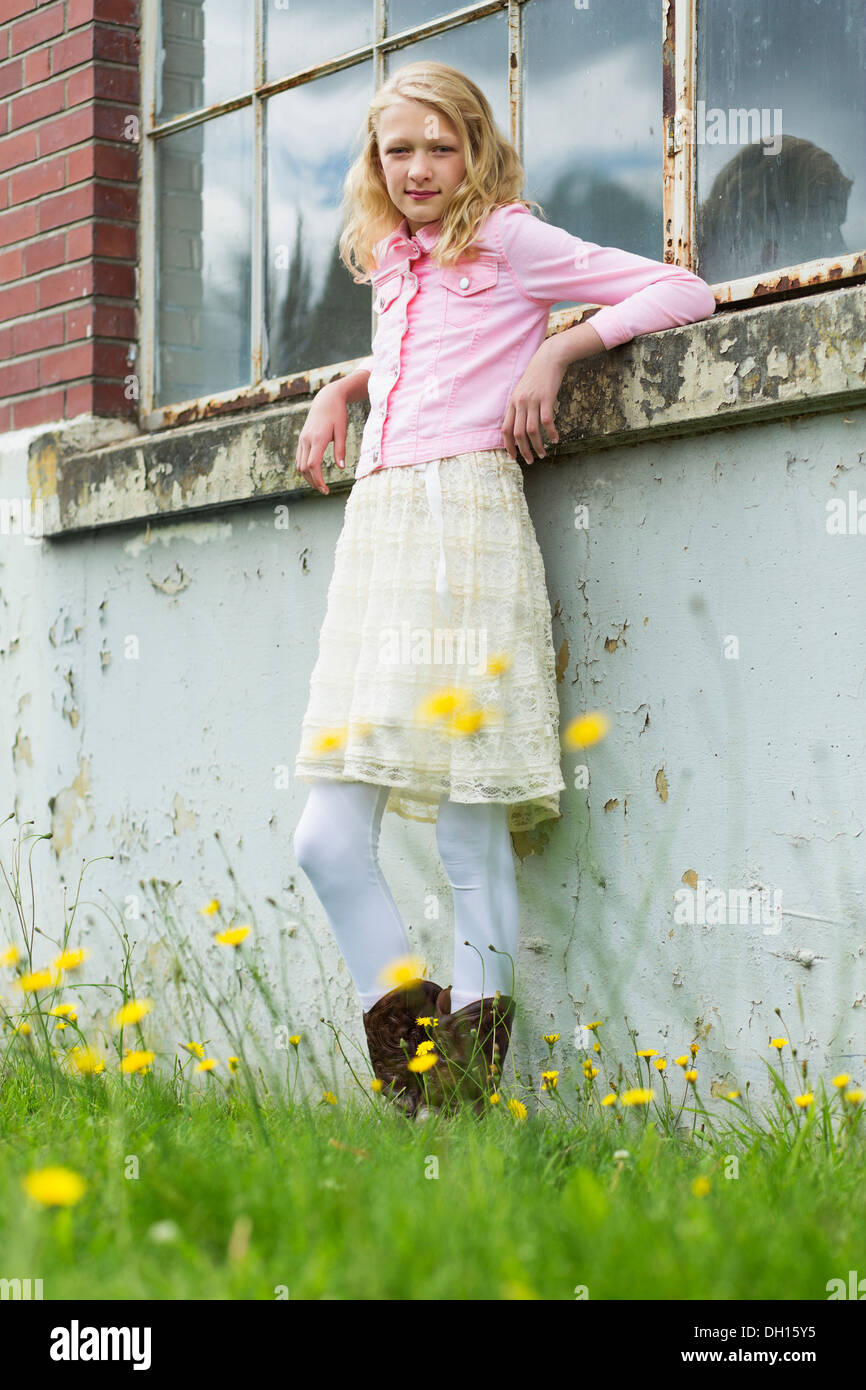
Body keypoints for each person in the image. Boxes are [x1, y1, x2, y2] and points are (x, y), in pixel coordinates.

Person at [291, 61, 716, 1118]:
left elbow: (680, 289)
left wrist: (559, 349)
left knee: (469, 833)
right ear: (375, 164)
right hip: (383, 534)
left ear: (474, 150)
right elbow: (421, 353)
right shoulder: (393, 259)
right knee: (325, 838)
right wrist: (344, 383)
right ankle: (415, 1067)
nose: (421, 168)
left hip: (466, 531)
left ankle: (453, 1111)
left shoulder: (512, 242)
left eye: (442, 146)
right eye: (399, 150)